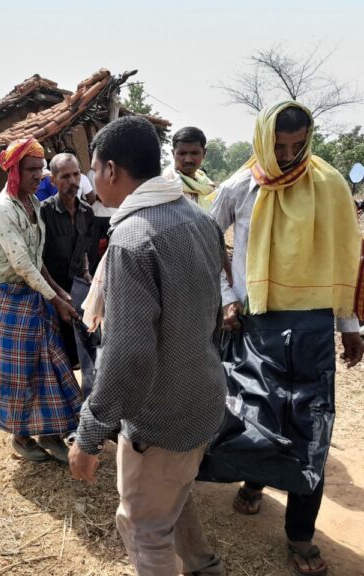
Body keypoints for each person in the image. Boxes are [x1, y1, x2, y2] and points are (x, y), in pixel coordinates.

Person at [204, 102, 362, 576]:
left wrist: (350, 326)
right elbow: (206, 241)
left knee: (311, 427)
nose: (289, 156)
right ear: (262, 140)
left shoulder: (330, 184)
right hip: (257, 323)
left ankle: (300, 535)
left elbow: (344, 256)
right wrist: (227, 296)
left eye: (298, 146)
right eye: (279, 146)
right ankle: (253, 484)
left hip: (313, 325)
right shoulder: (239, 186)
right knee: (256, 414)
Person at [68, 117, 226, 576]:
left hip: (161, 415)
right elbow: (212, 314)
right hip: (202, 397)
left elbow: (129, 354)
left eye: (94, 170)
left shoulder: (133, 239)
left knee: (142, 527)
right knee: (173, 493)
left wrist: (90, 432)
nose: (93, 182)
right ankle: (203, 565)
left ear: (112, 170)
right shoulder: (197, 218)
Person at [0, 137, 82, 464]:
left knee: (50, 364)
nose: (37, 175)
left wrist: (58, 290)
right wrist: (56, 299)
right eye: (31, 169)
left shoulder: (32, 205)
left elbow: (36, 258)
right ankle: (21, 437)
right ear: (13, 170)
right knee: (19, 371)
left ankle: (51, 433)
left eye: (40, 169)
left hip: (35, 295)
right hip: (10, 298)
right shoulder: (1, 209)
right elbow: (21, 264)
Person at [40, 152, 94, 368]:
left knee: (82, 350)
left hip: (77, 289)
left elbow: (84, 250)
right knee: (56, 352)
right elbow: (37, 258)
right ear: (53, 180)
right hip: (51, 291)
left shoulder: (87, 212)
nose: (72, 181)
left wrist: (87, 273)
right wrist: (56, 293)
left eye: (76, 175)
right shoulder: (44, 212)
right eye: (65, 177)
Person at [162, 126, 215, 208]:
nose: (188, 160)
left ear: (204, 153)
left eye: (194, 153)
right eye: (182, 153)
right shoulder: (164, 187)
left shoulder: (208, 186)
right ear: (173, 154)